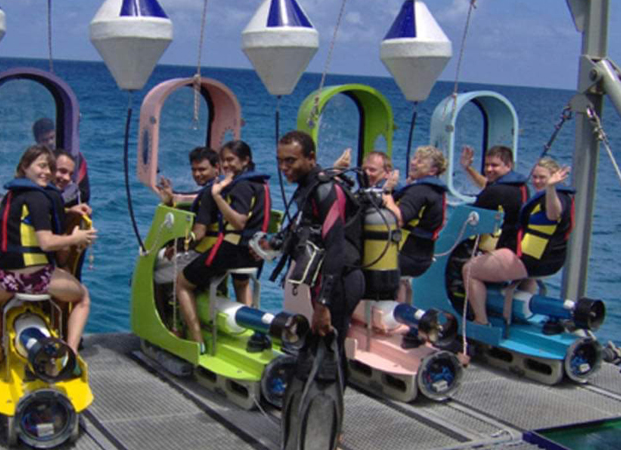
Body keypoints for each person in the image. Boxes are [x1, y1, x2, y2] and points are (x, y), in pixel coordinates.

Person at [276, 130, 364, 446]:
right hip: (324, 284)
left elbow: (336, 247)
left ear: (310, 159)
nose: (284, 167)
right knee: (318, 350)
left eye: (291, 160)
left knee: (332, 352)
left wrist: (324, 303)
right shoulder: (308, 187)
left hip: (340, 282)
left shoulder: (327, 190)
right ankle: (317, 422)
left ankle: (331, 428)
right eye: (280, 161)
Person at [0, 144, 95, 373]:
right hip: (38, 279)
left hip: (8, 279)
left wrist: (69, 212)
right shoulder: (39, 198)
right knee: (82, 298)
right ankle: (69, 358)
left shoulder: (11, 197)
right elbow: (46, 242)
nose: (47, 172)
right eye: (41, 166)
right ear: (25, 167)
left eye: (50, 168)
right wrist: (77, 237)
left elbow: (26, 224)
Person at [173, 141, 270, 350]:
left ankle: (196, 341)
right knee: (242, 283)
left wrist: (217, 196)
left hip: (230, 251)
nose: (226, 165)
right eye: (224, 160)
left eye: (230, 160)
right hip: (252, 252)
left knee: (182, 283)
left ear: (245, 161)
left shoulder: (241, 186)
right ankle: (252, 336)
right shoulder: (259, 184)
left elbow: (239, 222)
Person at [464, 157, 572, 325]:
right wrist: (468, 169)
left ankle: (481, 321)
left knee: (470, 270)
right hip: (550, 260)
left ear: (554, 177)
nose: (537, 181)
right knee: (521, 273)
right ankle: (519, 315)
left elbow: (554, 214)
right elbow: (490, 187)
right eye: (535, 177)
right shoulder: (553, 195)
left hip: (534, 261)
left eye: (542, 178)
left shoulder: (554, 197)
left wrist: (550, 187)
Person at [381, 146, 449, 302]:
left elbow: (398, 218)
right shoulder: (437, 192)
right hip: (423, 257)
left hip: (404, 254)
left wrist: (386, 192)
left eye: (420, 161)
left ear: (432, 170)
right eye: (414, 158)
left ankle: (386, 315)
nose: (413, 162)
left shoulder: (418, 191)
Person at [470, 145, 528, 254]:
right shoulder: (522, 186)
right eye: (486, 165)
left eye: (494, 165)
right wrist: (467, 167)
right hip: (518, 245)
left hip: (501, 248)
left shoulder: (497, 191)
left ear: (508, 165)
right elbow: (487, 185)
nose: (488, 169)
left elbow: (470, 216)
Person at [34, 117, 91, 202]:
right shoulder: (34, 161)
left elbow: (84, 194)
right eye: (45, 140)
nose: (50, 142)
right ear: (37, 141)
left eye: (52, 137)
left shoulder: (73, 159)